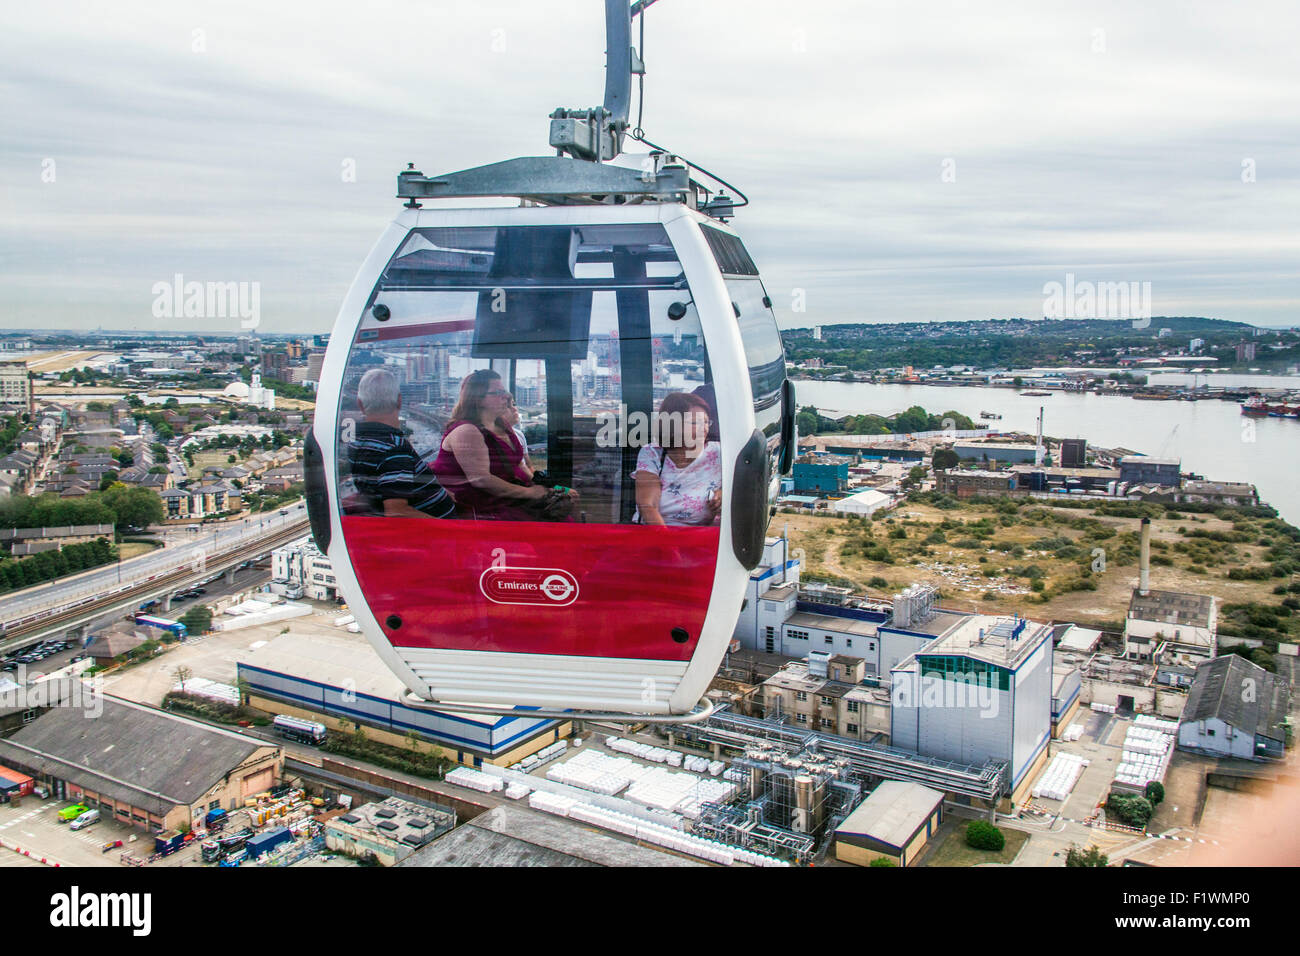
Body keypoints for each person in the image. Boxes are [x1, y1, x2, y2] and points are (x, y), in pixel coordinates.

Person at [432, 369, 575, 519]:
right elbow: (481, 480)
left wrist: (551, 490)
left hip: (508, 499)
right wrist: (530, 493)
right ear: (478, 399)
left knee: (566, 512)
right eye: (497, 392)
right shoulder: (467, 431)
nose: (506, 396)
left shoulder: (502, 426)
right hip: (482, 509)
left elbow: (520, 467)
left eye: (504, 391)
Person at [347, 367, 455, 518]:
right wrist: (446, 528)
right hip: (433, 535)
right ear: (399, 400)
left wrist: (438, 491)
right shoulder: (393, 447)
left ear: (360, 403)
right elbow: (397, 511)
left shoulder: (356, 442)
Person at [634, 392, 722, 526]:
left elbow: (745, 480)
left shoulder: (719, 453)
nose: (703, 428)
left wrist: (723, 494)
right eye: (694, 422)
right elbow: (648, 505)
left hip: (703, 537)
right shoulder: (653, 453)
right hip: (659, 534)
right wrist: (667, 543)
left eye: (705, 422)